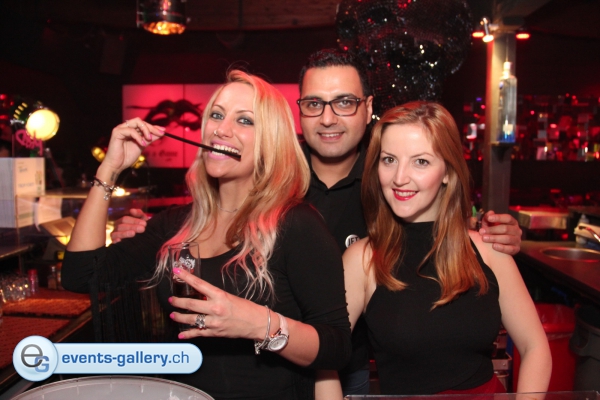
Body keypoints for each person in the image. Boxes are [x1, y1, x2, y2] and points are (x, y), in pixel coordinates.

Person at [110, 49, 524, 396]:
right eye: (313, 104)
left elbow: (441, 222)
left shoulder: (389, 175)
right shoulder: (267, 172)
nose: (327, 118)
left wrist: (495, 231)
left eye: (344, 102)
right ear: (299, 113)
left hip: (357, 365)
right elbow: (212, 214)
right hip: (267, 371)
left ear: (368, 108)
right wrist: (151, 234)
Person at [62, 70, 352, 400]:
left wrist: (258, 323)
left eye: (244, 120)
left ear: (271, 141)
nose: (221, 129)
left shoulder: (296, 225)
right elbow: (81, 275)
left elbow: (336, 348)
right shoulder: (173, 225)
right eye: (216, 115)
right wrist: (109, 170)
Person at [339, 101, 551, 396]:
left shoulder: (489, 250)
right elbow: (325, 358)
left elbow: (534, 346)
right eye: (389, 160)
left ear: (449, 171)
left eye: (420, 162)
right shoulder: (362, 260)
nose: (399, 177)